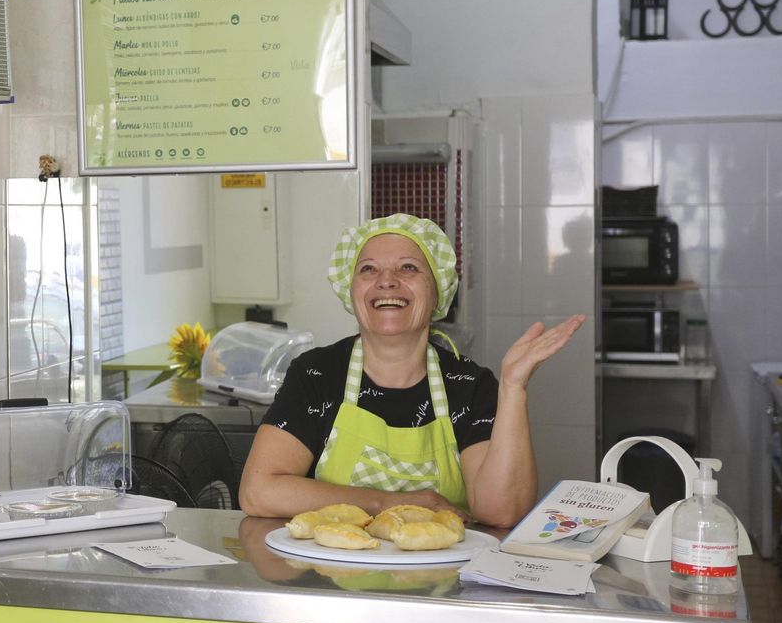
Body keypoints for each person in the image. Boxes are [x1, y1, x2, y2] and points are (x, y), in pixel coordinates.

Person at [238, 214, 584, 528]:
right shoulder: (317, 375)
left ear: (437, 294)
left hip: (445, 588)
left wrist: (512, 388)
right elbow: (259, 491)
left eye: (408, 268)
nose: (386, 281)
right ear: (352, 290)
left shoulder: (469, 387)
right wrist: (387, 503)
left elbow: (503, 512)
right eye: (368, 269)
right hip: (335, 585)